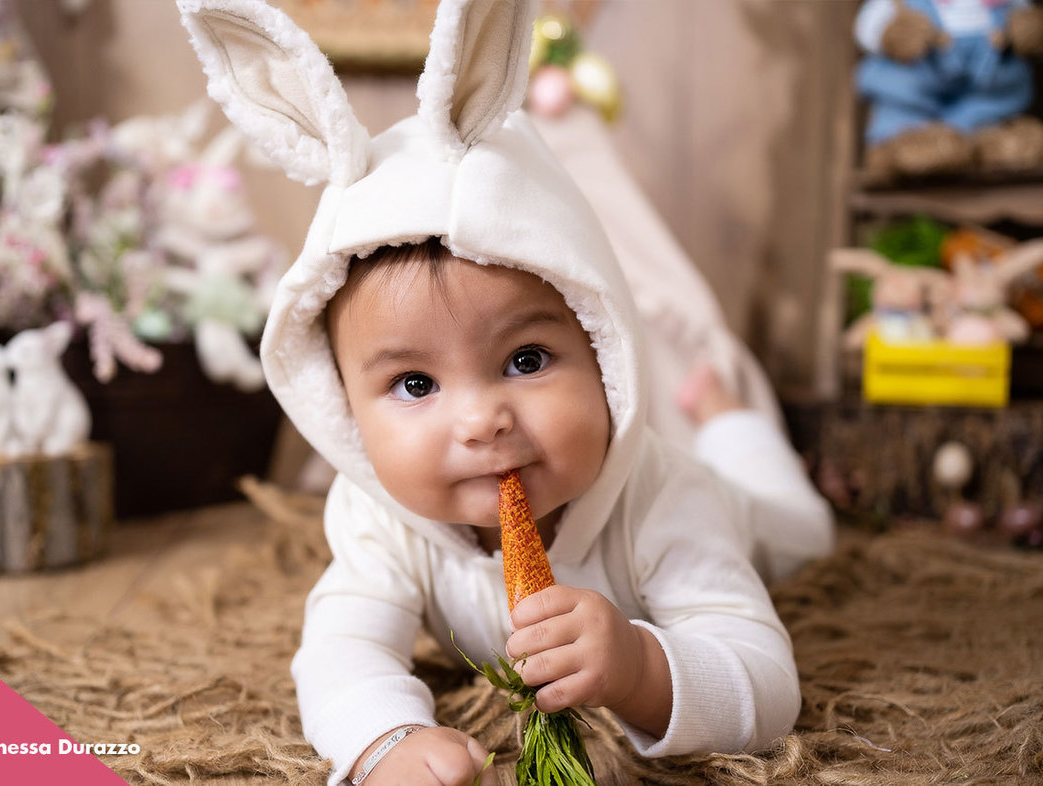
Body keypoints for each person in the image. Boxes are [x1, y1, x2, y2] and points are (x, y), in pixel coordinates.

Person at [177, 1, 825, 783]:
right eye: (416, 383)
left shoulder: (661, 497)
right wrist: (383, 742)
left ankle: (729, 421)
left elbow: (767, 684)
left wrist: (640, 666)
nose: (483, 420)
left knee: (800, 528)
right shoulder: (381, 519)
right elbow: (340, 652)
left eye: (525, 359)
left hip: (743, 514)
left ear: (602, 346)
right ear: (345, 407)